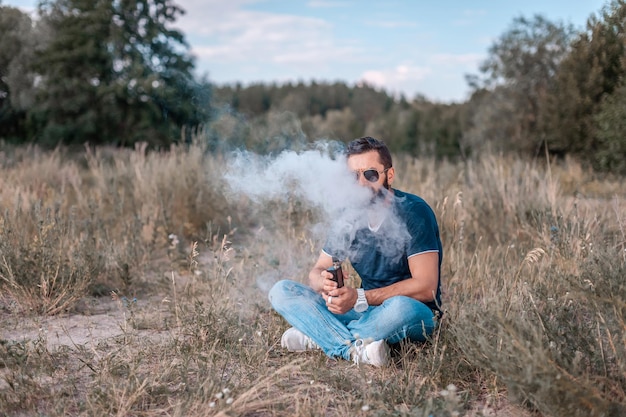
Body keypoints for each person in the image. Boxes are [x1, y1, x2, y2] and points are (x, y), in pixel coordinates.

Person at [268, 136, 442, 367]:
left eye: (370, 174)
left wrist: (360, 297)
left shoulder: (414, 212)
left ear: (389, 175)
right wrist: (325, 283)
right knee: (282, 290)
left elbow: (426, 287)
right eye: (353, 176)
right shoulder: (348, 215)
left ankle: (320, 337)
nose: (361, 184)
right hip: (364, 311)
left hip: (412, 313)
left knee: (400, 307)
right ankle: (354, 349)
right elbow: (316, 271)